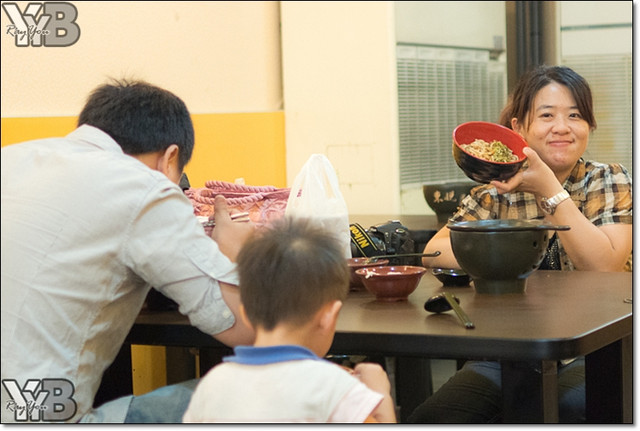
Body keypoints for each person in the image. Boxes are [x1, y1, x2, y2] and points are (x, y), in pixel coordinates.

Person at [0, 79, 256, 423]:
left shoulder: (12, 158)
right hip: (34, 419)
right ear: (170, 158)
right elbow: (247, 330)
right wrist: (236, 253)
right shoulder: (145, 187)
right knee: (277, 389)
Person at [411, 65, 632, 423]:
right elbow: (434, 252)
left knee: (562, 410)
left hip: (597, 349)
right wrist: (506, 252)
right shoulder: (494, 193)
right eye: (547, 115)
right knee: (435, 417)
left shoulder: (608, 179)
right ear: (518, 128)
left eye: (575, 115)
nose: (562, 127)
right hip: (508, 352)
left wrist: (548, 189)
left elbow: (603, 265)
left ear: (589, 126)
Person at [183, 217, 397, 423]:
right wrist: (381, 394)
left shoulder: (212, 385)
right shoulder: (335, 388)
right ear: (329, 316)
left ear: (245, 314)